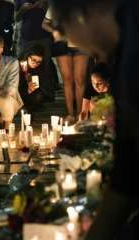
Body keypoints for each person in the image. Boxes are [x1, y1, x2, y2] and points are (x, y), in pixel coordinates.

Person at [49, 0, 139, 239]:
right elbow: (128, 159)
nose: (80, 48)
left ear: (82, 13)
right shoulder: (121, 50)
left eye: (67, 32)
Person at [42, 7, 90, 124]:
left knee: (80, 79)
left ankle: (80, 114)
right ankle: (70, 114)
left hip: (81, 43)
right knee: (67, 80)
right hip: (61, 43)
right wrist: (54, 31)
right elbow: (44, 24)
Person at [18, 44, 55, 112]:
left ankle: (30, 107)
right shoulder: (19, 65)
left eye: (38, 62)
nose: (35, 63)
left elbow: (45, 84)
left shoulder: (41, 67)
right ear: (28, 56)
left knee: (39, 96)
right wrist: (27, 90)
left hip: (31, 92)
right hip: (18, 92)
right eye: (33, 60)